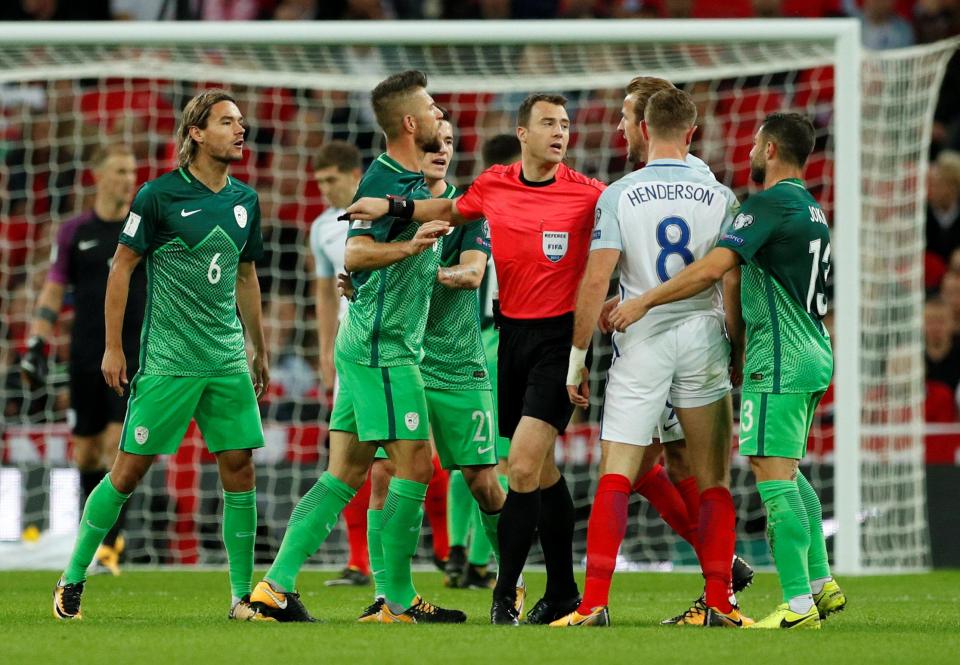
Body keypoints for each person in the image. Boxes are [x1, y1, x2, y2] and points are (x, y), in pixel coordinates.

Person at [347, 93, 606, 626]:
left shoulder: (590, 195)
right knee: (541, 471)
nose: (560, 133)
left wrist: (614, 314)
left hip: (559, 342)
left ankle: (504, 594)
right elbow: (445, 209)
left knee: (520, 467)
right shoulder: (494, 184)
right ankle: (561, 590)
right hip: (512, 338)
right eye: (548, 124)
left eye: (565, 124)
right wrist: (390, 207)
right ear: (523, 133)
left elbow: (622, 244)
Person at [610, 112, 847, 629]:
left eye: (756, 144)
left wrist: (645, 300)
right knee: (784, 469)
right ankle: (820, 583)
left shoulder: (767, 205)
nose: (749, 153)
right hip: (811, 350)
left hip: (780, 356)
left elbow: (716, 268)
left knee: (771, 477)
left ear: (771, 151)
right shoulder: (811, 208)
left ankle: (798, 607)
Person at [247, 70, 465, 624]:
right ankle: (396, 598)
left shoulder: (416, 181)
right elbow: (356, 255)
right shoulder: (384, 178)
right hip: (382, 350)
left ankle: (274, 588)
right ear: (411, 123)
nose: (443, 115)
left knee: (345, 472)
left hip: (369, 342)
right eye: (434, 108)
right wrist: (409, 248)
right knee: (415, 465)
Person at [52, 89, 269, 621]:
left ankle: (241, 597)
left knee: (240, 468)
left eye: (241, 122)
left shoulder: (245, 201)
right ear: (196, 132)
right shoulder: (158, 196)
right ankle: (72, 578)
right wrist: (112, 346)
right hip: (169, 360)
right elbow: (121, 267)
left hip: (224, 359)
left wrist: (257, 347)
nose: (240, 130)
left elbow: (245, 274)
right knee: (127, 471)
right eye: (227, 122)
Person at [555, 88, 747, 628]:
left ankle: (593, 605)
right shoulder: (722, 197)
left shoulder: (618, 194)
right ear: (691, 133)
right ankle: (721, 603)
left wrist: (577, 358)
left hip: (641, 340)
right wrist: (736, 348)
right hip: (704, 336)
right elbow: (728, 282)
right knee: (712, 479)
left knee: (617, 472)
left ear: (642, 127)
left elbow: (596, 280)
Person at [21, 142, 143, 576]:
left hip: (132, 356)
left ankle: (111, 547)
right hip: (84, 357)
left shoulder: (141, 229)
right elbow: (55, 288)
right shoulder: (75, 232)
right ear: (98, 176)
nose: (128, 178)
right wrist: (37, 342)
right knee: (87, 454)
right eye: (119, 170)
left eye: (131, 170)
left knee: (116, 448)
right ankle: (94, 539)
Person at [446, 133, 521, 590]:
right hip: (500, 341)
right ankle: (478, 560)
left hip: (458, 342)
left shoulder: (464, 206)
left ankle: (457, 552)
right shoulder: (516, 208)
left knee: (466, 455)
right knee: (500, 461)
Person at [307, 140, 373, 588]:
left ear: (355, 175)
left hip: (393, 347)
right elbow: (324, 293)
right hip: (348, 353)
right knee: (346, 458)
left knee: (403, 460)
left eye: (332, 180)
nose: (326, 190)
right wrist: (325, 352)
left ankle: (450, 553)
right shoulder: (321, 229)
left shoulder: (383, 213)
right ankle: (359, 562)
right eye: (320, 182)